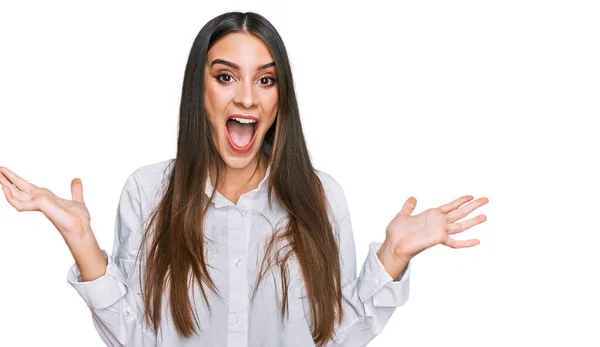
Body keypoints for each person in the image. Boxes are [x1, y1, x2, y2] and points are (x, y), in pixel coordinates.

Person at [0, 11, 489, 347]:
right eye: (227, 76)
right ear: (201, 89)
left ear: (280, 98)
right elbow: (136, 338)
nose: (248, 98)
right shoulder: (147, 194)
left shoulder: (319, 197)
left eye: (266, 79)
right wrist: (81, 240)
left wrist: (392, 257)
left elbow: (331, 337)